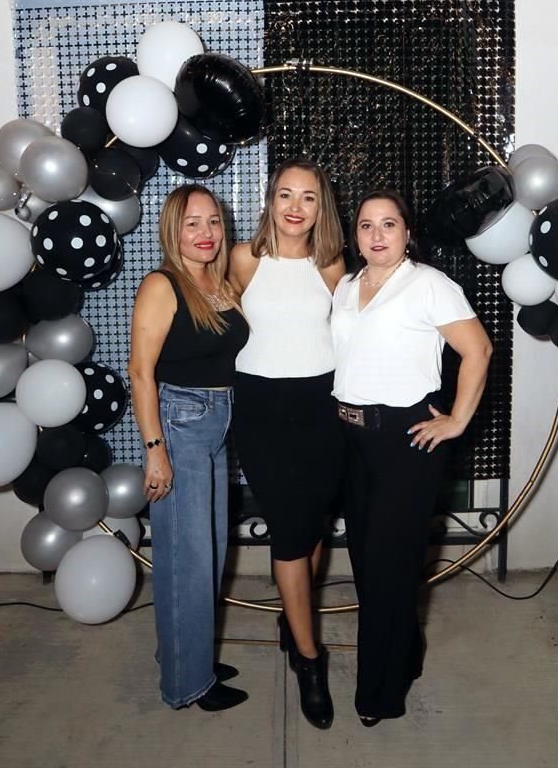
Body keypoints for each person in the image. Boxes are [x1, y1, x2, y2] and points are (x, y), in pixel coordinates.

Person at [331, 189, 493, 726]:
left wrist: (457, 419)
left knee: (389, 571)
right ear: (355, 234)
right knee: (368, 565)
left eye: (389, 225)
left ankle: (380, 691)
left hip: (406, 441)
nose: (377, 235)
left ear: (407, 233)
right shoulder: (347, 286)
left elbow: (479, 349)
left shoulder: (429, 285)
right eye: (366, 225)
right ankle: (406, 651)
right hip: (352, 440)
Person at [229, 158, 346, 730]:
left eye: (308, 197)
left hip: (323, 407)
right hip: (262, 411)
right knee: (291, 531)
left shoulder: (331, 265)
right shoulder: (243, 259)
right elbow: (213, 320)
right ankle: (309, 659)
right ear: (270, 200)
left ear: (322, 208)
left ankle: (291, 618)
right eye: (284, 194)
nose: (295, 207)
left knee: (314, 521)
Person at [128, 184, 250, 712]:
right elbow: (140, 371)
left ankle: (188, 653)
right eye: (192, 223)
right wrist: (155, 448)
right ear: (172, 229)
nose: (205, 233)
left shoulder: (220, 282)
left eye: (213, 222)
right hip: (180, 423)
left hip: (218, 424)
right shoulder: (162, 284)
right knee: (187, 560)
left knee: (211, 551)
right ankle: (187, 683)